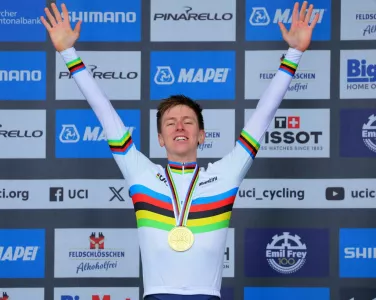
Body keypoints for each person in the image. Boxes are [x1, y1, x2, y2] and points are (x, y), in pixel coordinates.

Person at [41, 2, 319, 299]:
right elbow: (105, 114)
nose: (180, 128)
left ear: (201, 135)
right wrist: (68, 53)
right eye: (171, 123)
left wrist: (294, 53)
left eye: (188, 122)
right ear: (160, 138)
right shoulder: (141, 173)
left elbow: (262, 117)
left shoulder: (225, 175)